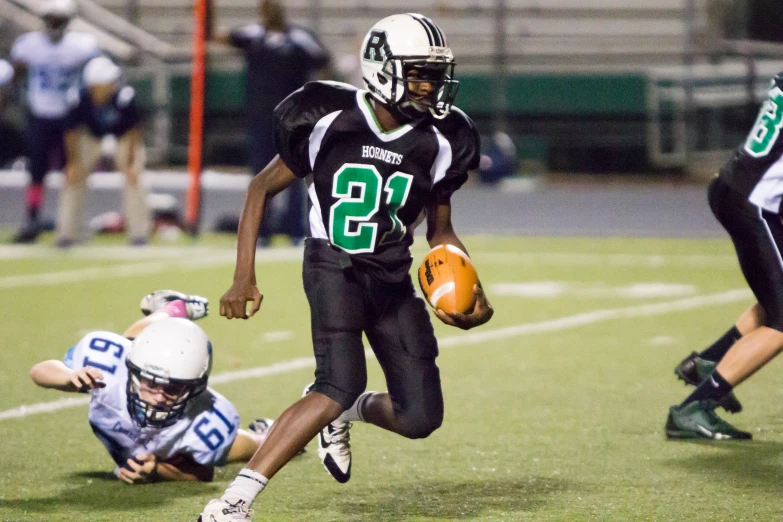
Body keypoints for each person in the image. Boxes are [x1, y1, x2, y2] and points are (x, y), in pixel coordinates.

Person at [199, 13, 494, 521]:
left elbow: (439, 230)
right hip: (332, 263)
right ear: (383, 68)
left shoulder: (445, 137)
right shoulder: (325, 115)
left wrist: (468, 285)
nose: (431, 83)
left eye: (435, 72)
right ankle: (232, 505)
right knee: (336, 381)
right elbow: (259, 188)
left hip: (393, 276)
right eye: (419, 71)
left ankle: (346, 413)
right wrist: (243, 275)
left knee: (421, 417)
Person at [30, 290, 278, 484]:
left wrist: (160, 470)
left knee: (247, 448)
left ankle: (267, 433)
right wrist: (68, 377)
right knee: (133, 341)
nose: (158, 397)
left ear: (195, 388)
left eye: (173, 389)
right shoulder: (108, 368)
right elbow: (39, 371)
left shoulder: (204, 422)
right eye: (150, 383)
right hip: (134, 362)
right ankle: (173, 308)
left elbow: (203, 473)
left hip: (168, 445)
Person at [665, 71, 783, 440]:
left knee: (775, 301)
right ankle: (696, 407)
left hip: (736, 187)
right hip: (755, 203)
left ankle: (709, 363)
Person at [213, 0, 331, 246]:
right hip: (261, 119)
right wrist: (208, 9)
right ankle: (263, 230)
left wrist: (319, 101)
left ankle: (296, 230)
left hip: (294, 121)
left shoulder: (299, 39)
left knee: (296, 174)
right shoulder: (252, 35)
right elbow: (216, 36)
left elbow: (324, 62)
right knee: (261, 175)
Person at [9, 0, 101, 243]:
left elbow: (96, 73)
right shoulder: (29, 45)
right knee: (36, 171)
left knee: (71, 171)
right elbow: (16, 74)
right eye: (50, 19)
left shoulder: (81, 46)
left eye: (58, 20)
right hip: (39, 113)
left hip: (69, 116)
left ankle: (70, 222)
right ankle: (32, 218)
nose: (54, 24)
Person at [55, 55, 151, 248]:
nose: (112, 85)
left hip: (122, 137)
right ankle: (67, 234)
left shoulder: (124, 97)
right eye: (107, 82)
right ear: (94, 85)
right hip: (90, 136)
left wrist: (131, 162)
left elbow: (134, 129)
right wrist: (73, 163)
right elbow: (71, 132)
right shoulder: (78, 99)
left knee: (135, 178)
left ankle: (139, 234)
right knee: (73, 180)